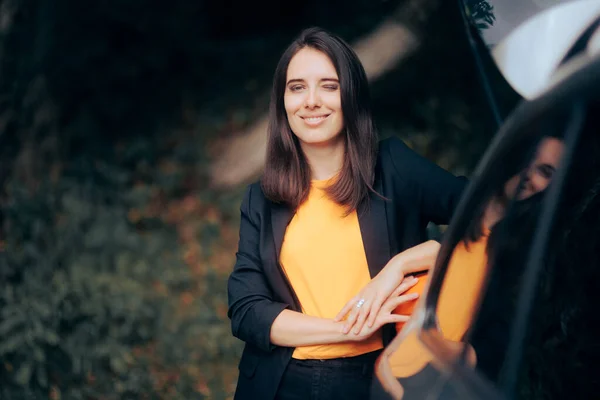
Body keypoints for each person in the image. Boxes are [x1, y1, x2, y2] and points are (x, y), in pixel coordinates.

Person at [227, 27, 467, 400]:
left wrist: (402, 265)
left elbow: (487, 216)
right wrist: (347, 329)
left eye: (329, 85)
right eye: (297, 87)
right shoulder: (260, 198)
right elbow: (247, 310)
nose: (311, 101)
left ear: (351, 96)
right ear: (282, 102)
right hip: (278, 383)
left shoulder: (393, 167)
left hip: (375, 380)